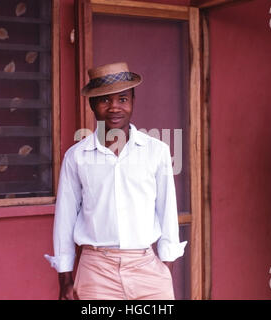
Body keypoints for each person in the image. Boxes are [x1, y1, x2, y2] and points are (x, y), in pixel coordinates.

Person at [44, 62, 186, 300]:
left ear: (133, 102)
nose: (114, 108)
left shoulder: (156, 151)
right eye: (104, 100)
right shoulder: (77, 157)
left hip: (146, 266)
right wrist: (65, 279)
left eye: (122, 99)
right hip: (96, 269)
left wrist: (165, 269)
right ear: (92, 105)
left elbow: (167, 211)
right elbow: (65, 218)